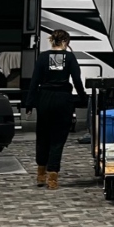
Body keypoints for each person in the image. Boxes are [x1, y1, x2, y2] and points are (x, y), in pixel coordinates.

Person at [25, 29, 87, 189]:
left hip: (44, 98)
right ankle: (52, 178)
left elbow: (34, 81)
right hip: (62, 99)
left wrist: (29, 103)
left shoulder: (43, 57)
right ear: (66, 42)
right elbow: (77, 80)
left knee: (43, 137)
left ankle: (40, 175)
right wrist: (83, 99)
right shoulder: (70, 57)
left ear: (52, 40)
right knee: (58, 139)